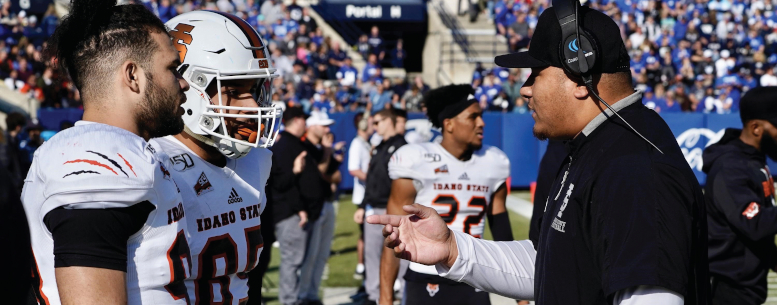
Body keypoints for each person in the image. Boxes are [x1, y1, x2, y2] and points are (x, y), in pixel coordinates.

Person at [368, 3, 709, 304]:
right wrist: (454, 249)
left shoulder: (633, 169)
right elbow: (552, 264)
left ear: (580, 75)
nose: (526, 88)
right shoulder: (594, 147)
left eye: (537, 73)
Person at [22, 0, 192, 304]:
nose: (183, 83)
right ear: (132, 76)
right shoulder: (99, 157)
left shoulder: (123, 150)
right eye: (171, 68)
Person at [150, 10, 282, 304]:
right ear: (187, 86)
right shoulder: (152, 165)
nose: (250, 106)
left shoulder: (255, 162)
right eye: (233, 90)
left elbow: (248, 280)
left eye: (254, 89)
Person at [378, 85, 513, 305]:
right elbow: (392, 236)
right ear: (449, 124)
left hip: (474, 273)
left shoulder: (494, 162)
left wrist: (521, 298)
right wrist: (385, 299)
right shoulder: (416, 159)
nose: (482, 123)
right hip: (425, 276)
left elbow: (501, 229)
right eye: (473, 117)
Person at [703, 87, 777, 304]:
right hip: (726, 290)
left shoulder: (752, 160)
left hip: (745, 287)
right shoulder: (731, 167)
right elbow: (753, 223)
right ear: (756, 128)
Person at [353, 108, 409, 305]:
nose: (374, 126)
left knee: (400, 254)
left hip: (394, 209)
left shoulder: (403, 147)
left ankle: (403, 293)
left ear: (389, 121)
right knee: (372, 253)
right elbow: (371, 179)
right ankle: (373, 295)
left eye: (377, 122)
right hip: (374, 207)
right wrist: (362, 205)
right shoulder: (378, 146)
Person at [297, 110, 344, 304]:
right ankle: (302, 295)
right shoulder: (306, 147)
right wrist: (327, 151)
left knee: (322, 254)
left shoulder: (319, 148)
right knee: (310, 256)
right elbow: (319, 174)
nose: (327, 129)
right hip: (312, 206)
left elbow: (336, 177)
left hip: (327, 201)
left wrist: (327, 154)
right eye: (323, 125)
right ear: (312, 126)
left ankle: (312, 294)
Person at [267, 106, 312, 305]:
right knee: (292, 261)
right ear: (297, 120)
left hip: (292, 212)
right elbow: (281, 184)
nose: (307, 124)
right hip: (288, 213)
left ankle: (291, 300)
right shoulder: (285, 145)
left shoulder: (291, 143)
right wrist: (298, 208)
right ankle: (289, 301)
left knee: (295, 261)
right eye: (304, 119)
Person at [349, 112, 373, 280]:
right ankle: (361, 266)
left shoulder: (365, 143)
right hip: (363, 195)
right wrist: (374, 179)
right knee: (366, 234)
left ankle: (364, 267)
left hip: (368, 194)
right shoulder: (357, 144)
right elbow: (353, 169)